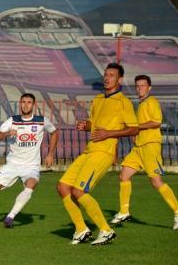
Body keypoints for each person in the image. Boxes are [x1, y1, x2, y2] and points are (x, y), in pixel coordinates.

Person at [56, 63, 139, 246]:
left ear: (119, 79)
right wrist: (85, 126)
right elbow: (94, 125)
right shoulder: (98, 99)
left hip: (104, 151)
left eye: (111, 75)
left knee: (79, 191)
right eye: (105, 74)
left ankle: (106, 231)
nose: (107, 78)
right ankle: (81, 229)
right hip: (89, 150)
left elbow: (134, 128)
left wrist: (109, 134)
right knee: (62, 187)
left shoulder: (123, 102)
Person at [0, 93, 59, 228]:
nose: (26, 105)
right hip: (12, 164)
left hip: (31, 166)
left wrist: (50, 154)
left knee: (31, 185)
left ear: (33, 105)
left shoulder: (41, 120)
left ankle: (10, 216)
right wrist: (6, 133)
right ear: (20, 104)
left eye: (29, 102)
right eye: (23, 102)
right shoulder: (12, 121)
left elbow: (54, 132)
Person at [110, 74, 178, 229]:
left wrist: (137, 128)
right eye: (137, 86)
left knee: (155, 181)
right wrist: (135, 133)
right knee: (124, 175)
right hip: (138, 148)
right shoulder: (141, 103)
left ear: (149, 87)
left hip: (150, 146)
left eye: (143, 85)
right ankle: (124, 211)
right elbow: (141, 125)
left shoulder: (152, 102)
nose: (139, 88)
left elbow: (156, 122)